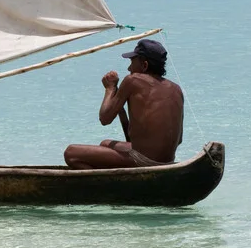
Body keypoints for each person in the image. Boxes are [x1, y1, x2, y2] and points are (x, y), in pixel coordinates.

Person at [63, 39, 184, 169]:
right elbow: (178, 140)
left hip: (145, 161)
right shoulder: (176, 89)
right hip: (167, 161)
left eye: (132, 62)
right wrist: (120, 108)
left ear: (144, 65)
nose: (129, 68)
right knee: (105, 144)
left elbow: (105, 118)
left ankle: (105, 186)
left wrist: (110, 88)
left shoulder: (133, 80)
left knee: (71, 153)